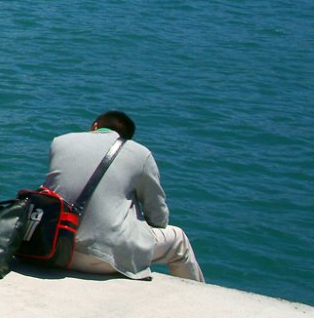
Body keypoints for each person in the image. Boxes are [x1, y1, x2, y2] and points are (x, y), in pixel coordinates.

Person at [42, 111, 203, 282]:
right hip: (105, 260)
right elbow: (158, 217)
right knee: (179, 241)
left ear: (95, 126)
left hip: (53, 246)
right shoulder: (141, 154)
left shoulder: (60, 142)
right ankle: (198, 300)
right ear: (127, 138)